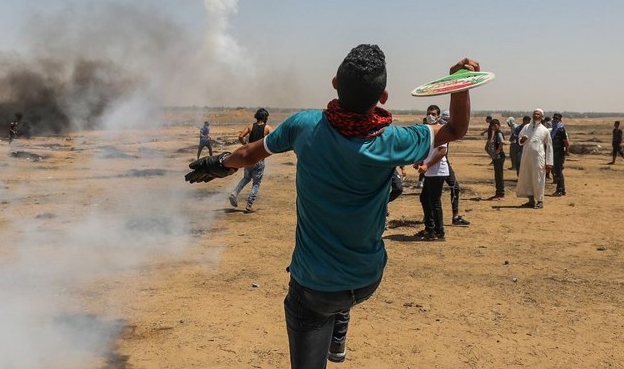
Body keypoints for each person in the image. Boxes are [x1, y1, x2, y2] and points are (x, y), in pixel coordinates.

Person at [185, 45, 477, 367]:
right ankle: (339, 329)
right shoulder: (395, 140)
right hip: (366, 278)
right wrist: (460, 84)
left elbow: (248, 154)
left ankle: (334, 322)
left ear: (335, 82)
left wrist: (218, 163)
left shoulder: (304, 126)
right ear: (383, 96)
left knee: (311, 318)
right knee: (340, 299)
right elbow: (455, 129)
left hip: (314, 286)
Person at [413, 111, 450, 241]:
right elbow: (427, 150)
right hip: (430, 172)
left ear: (438, 116)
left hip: (437, 172)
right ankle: (430, 229)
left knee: (434, 201)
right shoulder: (427, 131)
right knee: (425, 199)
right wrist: (420, 161)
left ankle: (439, 232)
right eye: (429, 113)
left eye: (433, 114)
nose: (430, 116)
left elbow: (442, 152)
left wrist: (427, 165)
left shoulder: (441, 130)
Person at [228, 108, 273, 213]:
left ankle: (234, 193)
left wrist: (246, 146)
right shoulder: (267, 128)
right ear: (265, 118)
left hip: (248, 158)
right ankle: (249, 205)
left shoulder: (250, 127)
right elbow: (274, 137)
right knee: (256, 183)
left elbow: (240, 137)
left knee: (246, 178)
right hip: (259, 158)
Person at [436, 108, 470, 226]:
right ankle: (432, 219)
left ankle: (453, 217)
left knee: (451, 188)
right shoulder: (441, 130)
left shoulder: (443, 128)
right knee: (435, 192)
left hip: (442, 162)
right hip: (437, 163)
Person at [515, 108, 553, 209]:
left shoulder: (545, 130)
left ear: (541, 117)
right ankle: (531, 200)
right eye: (534, 114)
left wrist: (549, 162)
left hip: (538, 159)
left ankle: (540, 201)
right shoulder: (526, 127)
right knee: (527, 178)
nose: (536, 116)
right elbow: (519, 139)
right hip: (526, 157)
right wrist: (521, 140)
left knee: (538, 179)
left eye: (538, 114)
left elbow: (549, 146)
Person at [549, 113, 570, 196]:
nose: (554, 120)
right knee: (556, 171)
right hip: (554, 152)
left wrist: (567, 151)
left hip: (559, 153)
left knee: (558, 171)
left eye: (556, 119)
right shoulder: (553, 129)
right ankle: (562, 189)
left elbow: (566, 142)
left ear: (559, 120)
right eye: (554, 118)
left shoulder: (560, 129)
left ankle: (560, 190)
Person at [488, 119, 507, 200]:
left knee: (499, 176)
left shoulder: (499, 133)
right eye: (493, 126)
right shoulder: (495, 133)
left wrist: (498, 150)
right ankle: (498, 193)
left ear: (499, 125)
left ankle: (500, 194)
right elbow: (491, 141)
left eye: (496, 126)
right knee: (497, 175)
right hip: (497, 157)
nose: (494, 127)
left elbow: (502, 142)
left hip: (499, 157)